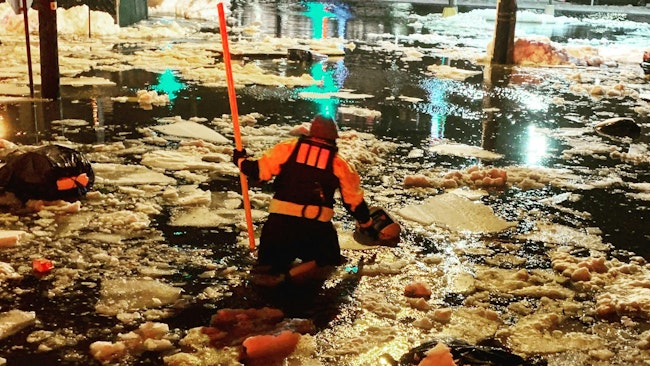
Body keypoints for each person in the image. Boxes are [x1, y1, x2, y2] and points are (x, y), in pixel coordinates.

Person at [232, 114, 377, 283]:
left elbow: (258, 171)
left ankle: (270, 288)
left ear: (310, 133)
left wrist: (241, 160)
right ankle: (295, 278)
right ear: (333, 139)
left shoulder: (287, 149)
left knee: (266, 269)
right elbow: (354, 203)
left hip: (278, 228)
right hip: (316, 231)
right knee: (329, 263)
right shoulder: (340, 164)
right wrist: (367, 226)